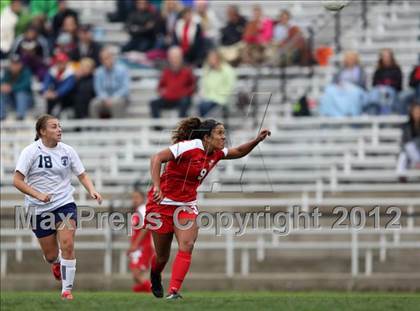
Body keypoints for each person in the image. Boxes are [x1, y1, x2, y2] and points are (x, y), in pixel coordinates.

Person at [144, 117, 271, 299]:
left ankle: (174, 291)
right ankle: (155, 275)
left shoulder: (216, 153)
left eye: (224, 133)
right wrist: (156, 186)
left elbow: (239, 151)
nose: (223, 137)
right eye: (219, 133)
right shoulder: (189, 147)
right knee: (162, 256)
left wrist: (256, 140)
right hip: (161, 204)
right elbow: (157, 158)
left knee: (187, 244)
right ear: (206, 138)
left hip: (186, 206)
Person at [13, 114, 103, 300]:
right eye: (54, 126)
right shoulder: (30, 151)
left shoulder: (68, 151)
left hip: (64, 203)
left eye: (60, 126)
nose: (59, 129)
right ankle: (56, 263)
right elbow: (17, 180)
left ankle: (66, 290)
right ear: (42, 131)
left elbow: (82, 174)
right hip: (38, 207)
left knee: (68, 244)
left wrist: (92, 190)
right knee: (51, 255)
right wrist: (38, 195)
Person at [150, 46, 195, 119]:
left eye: (176, 57)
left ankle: (182, 126)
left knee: (185, 101)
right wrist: (163, 92)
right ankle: (157, 127)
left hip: (182, 99)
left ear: (181, 58)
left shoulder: (187, 71)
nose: (174, 60)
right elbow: (160, 87)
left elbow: (193, 86)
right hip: (169, 98)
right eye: (172, 57)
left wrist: (185, 93)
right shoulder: (166, 72)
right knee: (153, 103)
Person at [91, 47, 130, 118]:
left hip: (119, 98)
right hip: (104, 99)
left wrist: (113, 98)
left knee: (116, 103)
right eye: (103, 59)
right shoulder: (98, 72)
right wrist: (105, 98)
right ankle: (95, 127)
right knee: (94, 104)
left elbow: (125, 88)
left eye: (108, 58)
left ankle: (117, 127)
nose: (106, 61)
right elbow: (98, 89)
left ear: (112, 57)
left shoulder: (122, 70)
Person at [127, 189, 154, 293]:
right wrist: (132, 246)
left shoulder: (143, 210)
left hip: (143, 247)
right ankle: (142, 294)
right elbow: (134, 232)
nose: (134, 200)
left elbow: (145, 227)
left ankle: (154, 291)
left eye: (137, 197)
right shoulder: (135, 213)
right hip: (137, 248)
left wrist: (135, 245)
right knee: (136, 276)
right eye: (133, 198)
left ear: (143, 199)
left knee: (136, 273)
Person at [198, 50, 236, 118]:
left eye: (212, 58)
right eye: (209, 58)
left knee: (205, 106)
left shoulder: (227, 70)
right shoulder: (207, 70)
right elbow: (203, 85)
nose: (210, 60)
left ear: (218, 58)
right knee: (201, 105)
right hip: (208, 98)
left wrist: (221, 96)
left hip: (221, 99)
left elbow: (230, 86)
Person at [366, 48, 402, 115]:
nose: (386, 58)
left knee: (386, 94)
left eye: (387, 56)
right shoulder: (378, 70)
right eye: (384, 56)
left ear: (391, 57)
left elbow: (398, 84)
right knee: (375, 93)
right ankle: (372, 113)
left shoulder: (396, 69)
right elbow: (374, 83)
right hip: (379, 90)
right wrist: (382, 85)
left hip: (391, 90)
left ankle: (385, 114)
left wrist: (388, 84)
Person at [42, 52, 76, 116]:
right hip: (54, 95)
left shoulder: (70, 73)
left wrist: (57, 93)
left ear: (66, 63)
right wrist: (45, 91)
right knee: (48, 99)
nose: (60, 64)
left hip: (67, 97)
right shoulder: (52, 71)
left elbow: (68, 86)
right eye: (58, 62)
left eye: (62, 62)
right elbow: (46, 81)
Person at [0, 54, 32, 120]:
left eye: (17, 64)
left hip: (26, 100)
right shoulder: (8, 72)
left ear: (21, 64)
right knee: (1, 92)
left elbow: (25, 85)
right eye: (13, 64)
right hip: (12, 100)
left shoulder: (26, 71)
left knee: (20, 93)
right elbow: (3, 82)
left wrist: (11, 88)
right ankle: (1, 115)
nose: (14, 66)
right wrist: (3, 86)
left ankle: (20, 116)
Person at [396, 102, 420, 182]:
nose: (417, 114)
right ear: (411, 113)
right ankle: (401, 175)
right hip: (411, 153)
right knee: (404, 153)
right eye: (415, 112)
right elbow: (406, 141)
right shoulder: (407, 126)